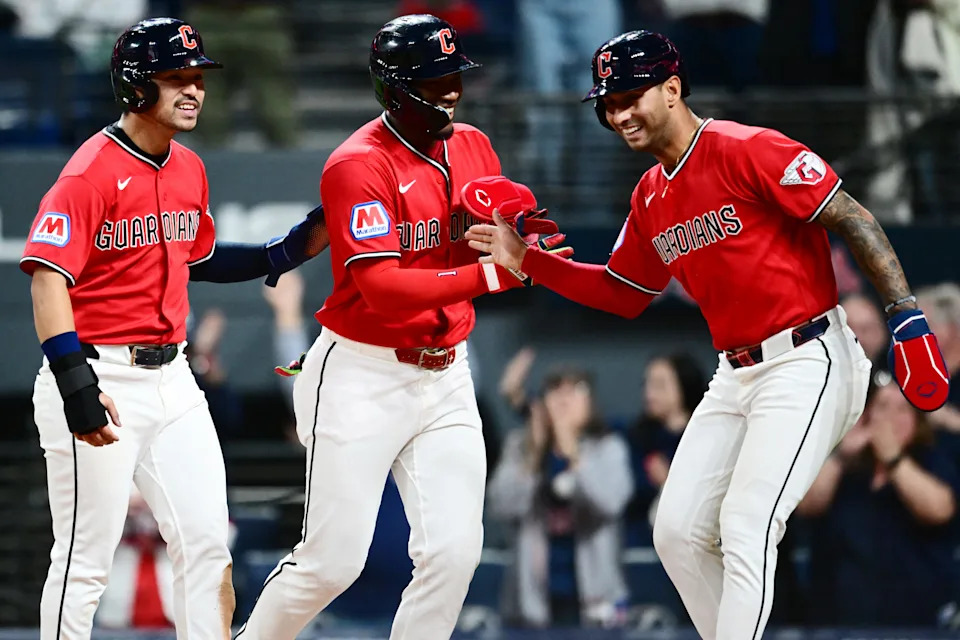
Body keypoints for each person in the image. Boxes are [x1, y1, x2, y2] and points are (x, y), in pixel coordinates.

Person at [466, 30, 950, 640]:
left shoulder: (748, 148)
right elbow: (622, 292)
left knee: (748, 524)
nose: (618, 114)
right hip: (735, 372)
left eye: (630, 97)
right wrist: (529, 260)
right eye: (608, 104)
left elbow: (852, 215)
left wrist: (904, 315)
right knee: (675, 533)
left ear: (672, 89)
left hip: (809, 357)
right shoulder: (648, 196)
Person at [235, 15, 546, 640]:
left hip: (447, 374)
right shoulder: (357, 164)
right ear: (395, 89)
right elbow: (382, 287)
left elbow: (500, 215)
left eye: (455, 73)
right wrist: (492, 277)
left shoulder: (473, 144)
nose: (452, 88)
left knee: (455, 553)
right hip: (360, 372)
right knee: (331, 564)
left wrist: (525, 233)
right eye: (436, 78)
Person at [19, 17, 325, 639]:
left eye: (198, 78)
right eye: (175, 78)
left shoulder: (188, 167)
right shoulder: (90, 172)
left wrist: (276, 254)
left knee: (209, 546)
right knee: (83, 565)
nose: (193, 90)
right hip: (98, 374)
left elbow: (197, 256)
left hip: (174, 378)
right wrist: (74, 380)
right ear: (136, 88)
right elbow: (47, 278)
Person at [798, 370, 960, 626]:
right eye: (882, 407)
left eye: (902, 410)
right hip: (838, 620)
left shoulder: (933, 458)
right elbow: (807, 507)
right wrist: (841, 455)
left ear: (917, 421)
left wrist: (893, 459)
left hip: (916, 623)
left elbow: (939, 510)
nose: (891, 419)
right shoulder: (849, 467)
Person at [488, 367, 633, 629]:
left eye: (576, 391)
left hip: (597, 606)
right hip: (531, 606)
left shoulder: (609, 448)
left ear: (590, 403)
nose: (564, 400)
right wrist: (533, 457)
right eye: (555, 391)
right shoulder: (519, 447)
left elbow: (611, 503)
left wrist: (575, 458)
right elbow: (500, 505)